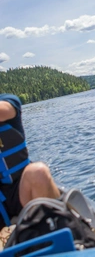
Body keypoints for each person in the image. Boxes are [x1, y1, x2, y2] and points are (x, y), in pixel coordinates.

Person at [0, 94, 60, 230]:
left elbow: (3, 110)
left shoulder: (9, 102)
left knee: (38, 172)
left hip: (21, 189)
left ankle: (57, 230)